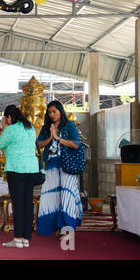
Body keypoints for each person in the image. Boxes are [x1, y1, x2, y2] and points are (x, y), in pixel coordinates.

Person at [0, 105, 39, 248]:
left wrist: (3, 127)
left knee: (18, 205)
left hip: (16, 170)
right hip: (31, 169)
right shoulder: (30, 127)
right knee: (27, 204)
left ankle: (17, 239)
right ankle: (26, 238)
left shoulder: (11, 129)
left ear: (9, 118)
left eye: (6, 118)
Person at [36, 100, 83, 237]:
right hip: (51, 164)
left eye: (54, 112)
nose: (52, 115)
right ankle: (52, 227)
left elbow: (76, 144)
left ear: (60, 111)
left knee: (67, 195)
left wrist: (57, 138)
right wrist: (50, 137)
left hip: (67, 164)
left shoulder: (69, 125)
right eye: (49, 112)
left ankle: (67, 228)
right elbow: (38, 144)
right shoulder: (47, 127)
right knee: (50, 196)